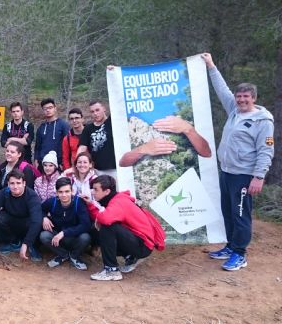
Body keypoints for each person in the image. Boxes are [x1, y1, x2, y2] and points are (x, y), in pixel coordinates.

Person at [202, 52, 275, 271]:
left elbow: (266, 151)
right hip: (227, 172)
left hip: (244, 175)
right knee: (228, 211)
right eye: (239, 97)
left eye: (246, 97)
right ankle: (231, 245)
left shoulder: (263, 121)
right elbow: (222, 89)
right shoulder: (234, 111)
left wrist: (259, 176)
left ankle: (240, 254)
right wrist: (211, 65)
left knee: (241, 214)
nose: (242, 100)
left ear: (254, 98)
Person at [83, 175, 164, 281]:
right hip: (141, 241)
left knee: (108, 228)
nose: (93, 192)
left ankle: (111, 270)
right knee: (98, 231)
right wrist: (91, 204)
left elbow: (105, 219)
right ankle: (130, 257)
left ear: (107, 191)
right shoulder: (116, 198)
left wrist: (94, 207)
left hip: (143, 246)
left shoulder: (118, 202)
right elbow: (102, 216)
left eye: (96, 189)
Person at [0, 169, 43, 261]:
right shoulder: (5, 192)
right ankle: (11, 242)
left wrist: (26, 243)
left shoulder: (32, 196)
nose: (15, 186)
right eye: (12, 183)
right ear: (8, 184)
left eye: (18, 183)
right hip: (10, 220)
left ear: (24, 183)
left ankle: (31, 245)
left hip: (26, 223)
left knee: (37, 223)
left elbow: (36, 221)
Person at [118, 114, 212, 167]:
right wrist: (143, 149)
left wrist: (188, 129)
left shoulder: (184, 117)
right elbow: (123, 162)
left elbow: (207, 153)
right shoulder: (134, 123)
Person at [39, 177, 91, 270]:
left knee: (85, 237)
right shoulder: (53, 202)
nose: (64, 195)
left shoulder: (78, 203)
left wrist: (64, 233)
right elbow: (39, 209)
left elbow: (85, 225)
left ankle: (74, 256)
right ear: (57, 192)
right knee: (44, 235)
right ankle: (63, 255)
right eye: (60, 192)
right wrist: (44, 217)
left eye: (67, 191)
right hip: (57, 238)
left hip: (74, 237)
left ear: (72, 191)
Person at [77, 100, 117, 179]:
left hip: (115, 168)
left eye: (97, 110)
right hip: (97, 170)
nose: (95, 113)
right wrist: (78, 163)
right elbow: (82, 148)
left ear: (104, 109)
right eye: (92, 111)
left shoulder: (113, 122)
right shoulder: (88, 129)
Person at [34, 98, 70, 171]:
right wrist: (36, 159)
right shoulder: (41, 127)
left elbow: (68, 145)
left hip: (58, 164)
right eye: (45, 109)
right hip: (43, 164)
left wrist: (64, 163)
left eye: (50, 108)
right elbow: (37, 146)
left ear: (55, 108)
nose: (48, 110)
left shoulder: (63, 125)